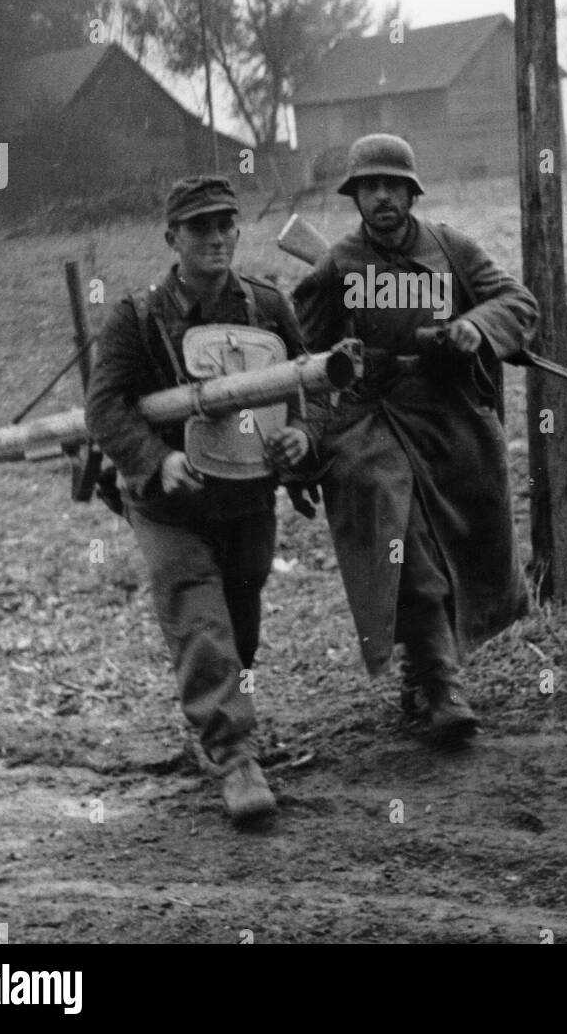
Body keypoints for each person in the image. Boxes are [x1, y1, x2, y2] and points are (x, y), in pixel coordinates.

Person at [85, 175, 318, 827]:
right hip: (169, 503)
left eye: (225, 225)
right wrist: (158, 461)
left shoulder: (268, 308)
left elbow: (307, 387)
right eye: (199, 228)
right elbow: (104, 408)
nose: (216, 238)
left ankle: (218, 720)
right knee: (200, 617)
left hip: (247, 495)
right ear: (173, 239)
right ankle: (235, 756)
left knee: (240, 626)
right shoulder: (136, 318)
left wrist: (301, 436)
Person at [291, 134, 539, 745]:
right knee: (403, 536)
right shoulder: (336, 265)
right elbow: (304, 361)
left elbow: (517, 301)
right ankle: (439, 684)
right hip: (369, 415)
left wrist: (473, 330)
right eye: (368, 187)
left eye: (392, 186)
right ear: (354, 197)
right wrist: (306, 440)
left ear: (410, 192)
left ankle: (425, 670)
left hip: (446, 409)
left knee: (469, 534)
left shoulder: (450, 248)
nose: (381, 197)